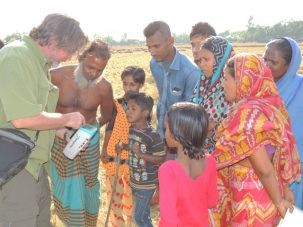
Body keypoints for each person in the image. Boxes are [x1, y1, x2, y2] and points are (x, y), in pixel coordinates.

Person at [0, 13, 87, 227]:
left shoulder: (38, 63)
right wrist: (67, 118)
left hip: (34, 165)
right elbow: (22, 118)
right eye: (70, 50)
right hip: (17, 167)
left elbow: (35, 119)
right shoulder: (17, 57)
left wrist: (64, 133)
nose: (68, 58)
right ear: (55, 41)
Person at [212, 53, 301, 226]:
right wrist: (285, 189)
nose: (222, 84)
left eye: (225, 78)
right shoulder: (268, 107)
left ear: (242, 81)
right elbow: (276, 155)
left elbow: (263, 168)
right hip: (266, 192)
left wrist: (279, 202)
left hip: (251, 199)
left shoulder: (247, 115)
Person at [50, 39, 114, 226]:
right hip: (58, 138)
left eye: (99, 70)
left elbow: (106, 116)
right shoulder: (56, 76)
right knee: (65, 185)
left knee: (88, 185)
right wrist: (60, 130)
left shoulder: (104, 87)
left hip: (87, 143)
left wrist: (88, 133)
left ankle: (88, 222)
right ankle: (70, 221)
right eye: (90, 68)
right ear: (81, 57)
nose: (93, 74)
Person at [158, 102, 218, 226]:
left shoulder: (168, 170)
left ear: (177, 134)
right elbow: (212, 201)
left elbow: (169, 221)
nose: (165, 133)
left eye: (167, 128)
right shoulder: (210, 161)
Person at [101, 66, 145, 226]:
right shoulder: (117, 103)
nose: (128, 88)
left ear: (141, 84)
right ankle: (116, 223)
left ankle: (131, 223)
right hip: (115, 154)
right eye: (125, 84)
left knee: (131, 197)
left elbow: (144, 130)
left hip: (133, 156)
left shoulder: (145, 105)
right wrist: (105, 148)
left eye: (132, 84)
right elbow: (109, 127)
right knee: (115, 196)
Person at [143, 20, 200, 140]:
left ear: (170, 41)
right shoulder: (154, 63)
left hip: (179, 137)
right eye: (149, 47)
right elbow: (162, 96)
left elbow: (190, 114)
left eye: (156, 46)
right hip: (160, 131)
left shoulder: (191, 72)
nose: (152, 52)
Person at [263, 37, 303, 210]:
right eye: (264, 59)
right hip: (263, 166)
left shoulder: (300, 88)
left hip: (295, 171)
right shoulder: (260, 88)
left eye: (273, 62)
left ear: (289, 66)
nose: (266, 65)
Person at [116, 93, 166, 227]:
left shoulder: (152, 136)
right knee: (143, 215)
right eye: (128, 108)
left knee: (138, 217)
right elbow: (133, 147)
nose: (128, 111)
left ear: (145, 113)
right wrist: (124, 146)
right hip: (135, 181)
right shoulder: (132, 129)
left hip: (147, 185)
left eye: (133, 109)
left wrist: (142, 155)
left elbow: (161, 158)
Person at [191, 36, 234, 154]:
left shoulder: (229, 90)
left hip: (218, 155)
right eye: (200, 60)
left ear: (221, 60)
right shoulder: (202, 84)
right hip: (197, 152)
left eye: (207, 60)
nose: (202, 65)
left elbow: (207, 127)